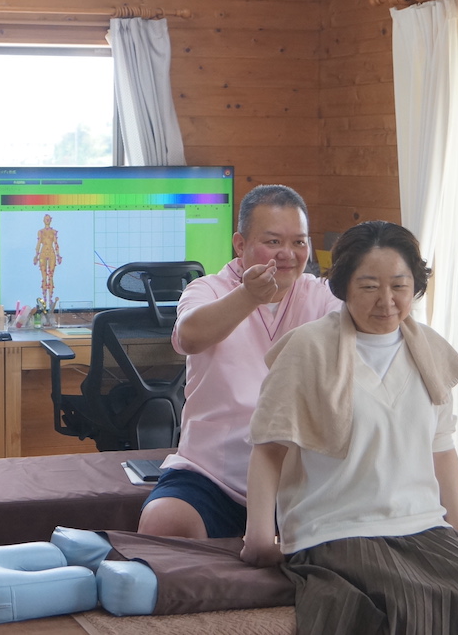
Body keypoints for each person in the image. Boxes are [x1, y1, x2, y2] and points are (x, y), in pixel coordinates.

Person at [241, 221, 458, 634]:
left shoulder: (430, 350)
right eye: (369, 286)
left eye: (399, 285)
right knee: (407, 602)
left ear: (415, 286)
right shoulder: (307, 348)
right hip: (335, 529)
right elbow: (269, 450)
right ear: (343, 287)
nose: (387, 300)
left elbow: (442, 452)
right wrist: (259, 540)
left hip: (423, 526)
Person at [138, 184, 340, 539]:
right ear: (240, 244)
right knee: (163, 521)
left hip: (300, 477)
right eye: (273, 242)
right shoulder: (207, 289)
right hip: (211, 475)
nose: (288, 254)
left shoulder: (322, 294)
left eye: (299, 242)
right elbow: (189, 336)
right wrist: (248, 296)